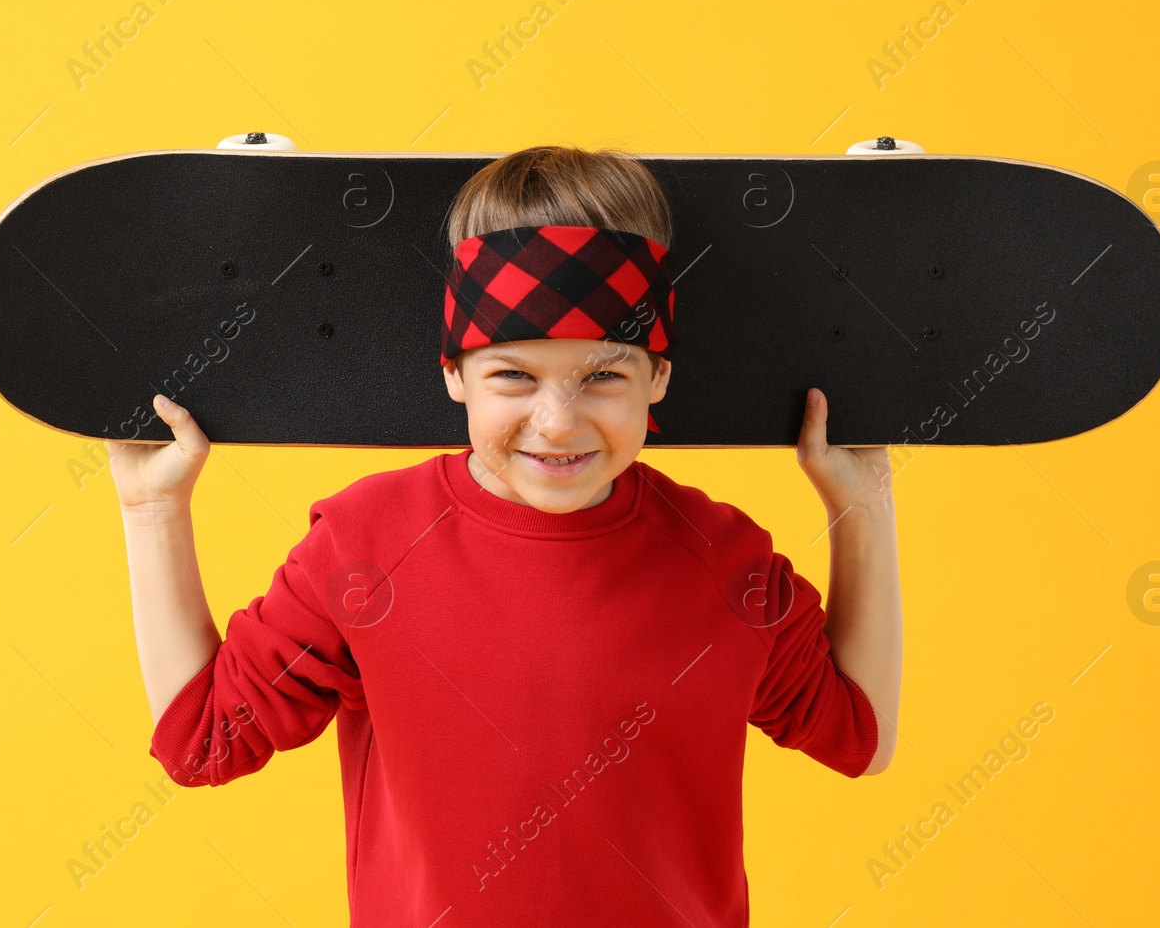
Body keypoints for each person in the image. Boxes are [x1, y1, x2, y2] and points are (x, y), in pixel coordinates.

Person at [109, 144, 903, 926]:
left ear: (659, 375)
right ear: (454, 371)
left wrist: (863, 505)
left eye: (603, 375)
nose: (556, 424)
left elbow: (859, 735)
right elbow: (202, 741)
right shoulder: (363, 544)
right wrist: (152, 513)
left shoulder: (727, 560)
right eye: (513, 376)